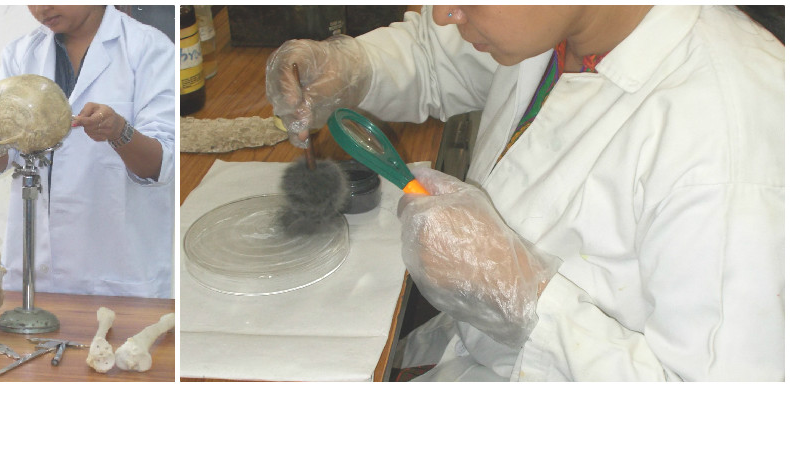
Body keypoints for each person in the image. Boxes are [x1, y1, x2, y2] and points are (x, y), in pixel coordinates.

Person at [266, 6, 784, 381]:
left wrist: (525, 301)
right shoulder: (565, 26)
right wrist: (356, 67)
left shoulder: (728, 144)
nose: (444, 12)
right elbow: (435, 54)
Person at [0, 5, 175, 298]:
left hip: (119, 270)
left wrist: (119, 132)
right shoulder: (22, 53)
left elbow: (160, 166)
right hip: (35, 274)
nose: (42, 7)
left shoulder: (148, 48)